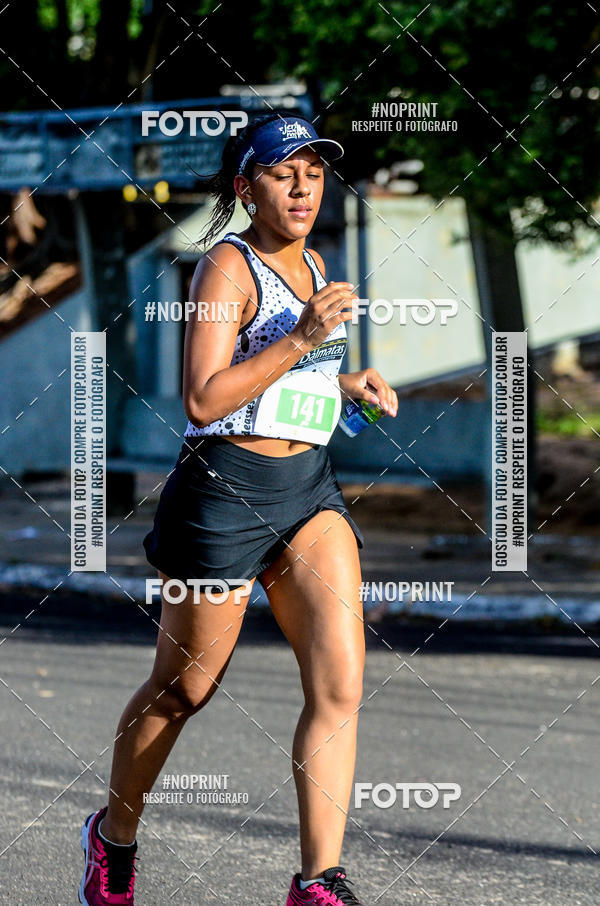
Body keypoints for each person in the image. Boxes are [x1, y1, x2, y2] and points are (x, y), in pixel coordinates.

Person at [78, 113, 398, 906]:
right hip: (222, 495)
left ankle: (318, 881)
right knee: (186, 688)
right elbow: (204, 394)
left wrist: (346, 385)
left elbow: (296, 384)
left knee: (339, 685)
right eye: (282, 171)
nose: (301, 186)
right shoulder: (227, 268)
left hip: (308, 493)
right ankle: (111, 838)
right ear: (245, 186)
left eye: (314, 172)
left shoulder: (316, 263)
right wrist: (303, 339)